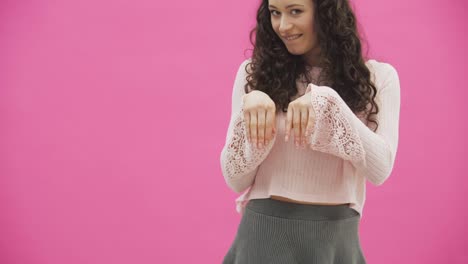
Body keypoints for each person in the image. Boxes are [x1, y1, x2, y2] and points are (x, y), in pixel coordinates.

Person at [220, 0, 400, 263]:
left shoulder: (379, 78)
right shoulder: (254, 75)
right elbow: (235, 179)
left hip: (337, 239)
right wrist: (253, 113)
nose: (283, 26)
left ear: (327, 13)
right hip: (264, 237)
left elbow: (380, 169)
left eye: (295, 11)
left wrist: (328, 104)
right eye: (275, 13)